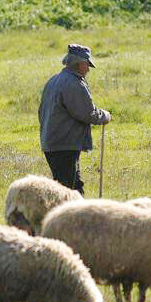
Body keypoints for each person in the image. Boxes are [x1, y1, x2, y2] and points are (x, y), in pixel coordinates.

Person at [38, 44, 111, 196]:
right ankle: (70, 218)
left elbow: (40, 112)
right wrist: (104, 116)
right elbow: (87, 113)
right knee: (70, 191)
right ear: (79, 63)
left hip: (52, 143)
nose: (88, 69)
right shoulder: (74, 83)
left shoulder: (55, 80)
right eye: (87, 64)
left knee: (69, 187)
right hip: (64, 144)